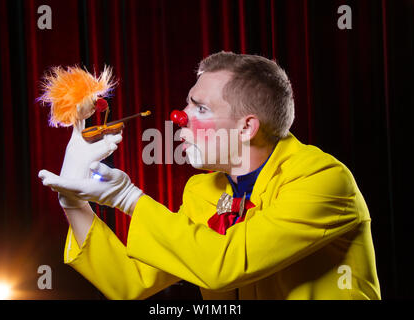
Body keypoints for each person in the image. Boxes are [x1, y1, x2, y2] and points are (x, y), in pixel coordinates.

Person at [39, 51, 381, 299]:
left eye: (200, 108)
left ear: (247, 127)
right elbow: (130, 282)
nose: (180, 117)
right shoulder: (203, 190)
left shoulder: (323, 180)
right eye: (188, 103)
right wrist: (72, 201)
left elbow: (224, 265)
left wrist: (129, 199)